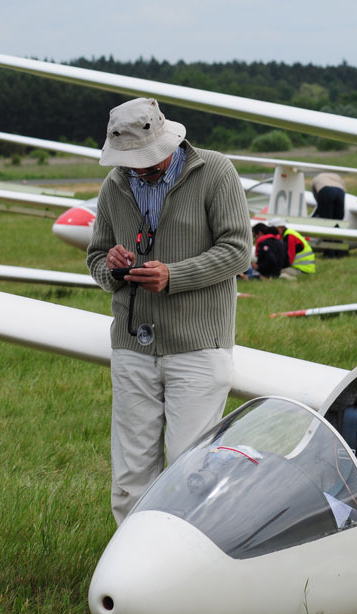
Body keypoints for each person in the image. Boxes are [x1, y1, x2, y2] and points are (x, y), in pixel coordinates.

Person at [86, 97, 252, 525]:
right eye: (130, 164)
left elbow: (237, 252)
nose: (138, 171)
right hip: (131, 348)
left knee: (191, 471)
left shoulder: (215, 171)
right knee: (130, 475)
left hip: (198, 347)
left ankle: (192, 570)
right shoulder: (114, 186)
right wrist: (114, 268)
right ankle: (134, 566)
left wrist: (173, 276)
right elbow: (96, 257)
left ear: (168, 143)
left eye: (148, 163)